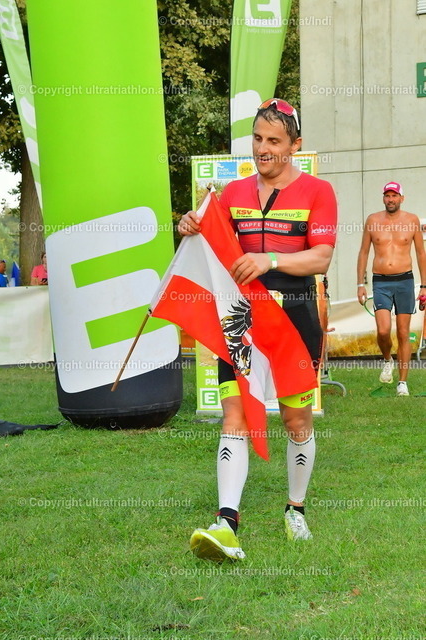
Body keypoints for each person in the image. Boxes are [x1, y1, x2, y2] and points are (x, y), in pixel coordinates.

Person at [178, 98, 337, 561]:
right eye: (257, 139)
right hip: (242, 319)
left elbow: (322, 257)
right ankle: (226, 522)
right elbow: (212, 239)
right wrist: (190, 224)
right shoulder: (232, 193)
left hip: (295, 317)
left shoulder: (318, 191)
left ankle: (295, 509)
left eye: (274, 141)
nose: (263, 149)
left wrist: (270, 259)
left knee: (296, 420)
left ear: (294, 145)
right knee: (235, 414)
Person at [357, 182, 426, 396]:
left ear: (401, 198)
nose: (390, 199)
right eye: (387, 195)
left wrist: (424, 286)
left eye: (394, 195)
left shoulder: (412, 220)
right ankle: (387, 359)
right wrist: (360, 284)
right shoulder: (373, 220)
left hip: (405, 281)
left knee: (403, 333)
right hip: (381, 281)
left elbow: (421, 253)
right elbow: (363, 252)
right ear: (383, 198)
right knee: (383, 330)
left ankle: (402, 383)